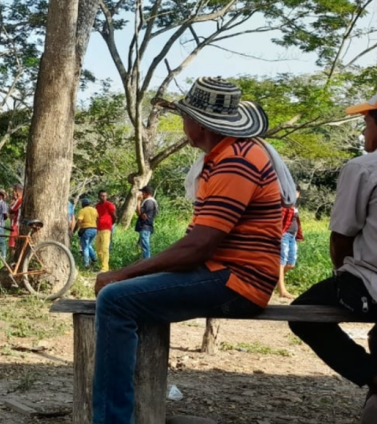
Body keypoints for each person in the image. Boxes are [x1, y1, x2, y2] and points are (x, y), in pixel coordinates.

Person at [92, 77, 286, 423]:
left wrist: (124, 272)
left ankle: (110, 420)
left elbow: (200, 246)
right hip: (225, 272)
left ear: (197, 123)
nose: (183, 123)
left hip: (237, 279)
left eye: (184, 116)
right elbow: (200, 241)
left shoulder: (235, 160)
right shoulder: (226, 155)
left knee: (116, 299)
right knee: (127, 293)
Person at [289, 83, 377, 424]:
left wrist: (347, 277)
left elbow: (341, 239)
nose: (364, 132)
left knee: (302, 314)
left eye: (367, 123)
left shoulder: (367, 166)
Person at [277, 189, 304, 299]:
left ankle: (274, 281)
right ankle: (282, 291)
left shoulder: (294, 206)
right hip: (284, 235)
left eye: (297, 192)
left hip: (292, 236)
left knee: (290, 264)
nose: (296, 194)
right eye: (293, 191)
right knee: (282, 262)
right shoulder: (284, 204)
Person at [95, 190, 117, 272]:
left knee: (105, 248)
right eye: (101, 196)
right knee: (98, 248)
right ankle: (102, 264)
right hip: (99, 229)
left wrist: (110, 224)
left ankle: (105, 268)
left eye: (105, 196)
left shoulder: (109, 205)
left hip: (106, 229)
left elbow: (114, 216)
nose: (103, 197)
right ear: (99, 196)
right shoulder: (97, 206)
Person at [134, 185, 158, 259]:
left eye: (142, 192)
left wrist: (138, 201)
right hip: (146, 227)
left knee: (145, 246)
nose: (141, 194)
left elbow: (140, 214)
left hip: (145, 227)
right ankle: (143, 261)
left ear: (146, 193)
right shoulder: (150, 201)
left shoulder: (149, 202)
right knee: (142, 245)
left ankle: (147, 262)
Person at [75, 198, 98, 268]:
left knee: (85, 247)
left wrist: (75, 229)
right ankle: (94, 258)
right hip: (94, 230)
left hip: (86, 230)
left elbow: (79, 221)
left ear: (83, 204)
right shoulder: (94, 210)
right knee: (88, 245)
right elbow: (97, 218)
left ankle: (86, 264)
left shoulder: (83, 210)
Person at [8, 184, 23, 248]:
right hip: (14, 224)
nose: (13, 193)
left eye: (13, 191)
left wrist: (12, 202)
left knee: (13, 245)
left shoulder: (19, 200)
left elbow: (11, 210)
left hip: (15, 225)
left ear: (16, 191)